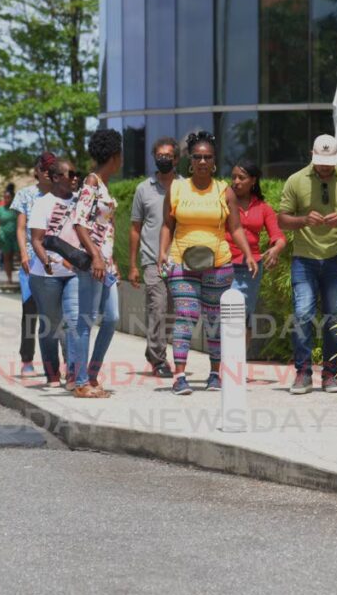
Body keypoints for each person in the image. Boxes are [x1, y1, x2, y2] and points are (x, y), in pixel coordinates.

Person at [158, 130, 258, 396]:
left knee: (214, 320)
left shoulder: (224, 191)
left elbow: (235, 227)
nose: (202, 161)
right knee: (186, 315)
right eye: (197, 157)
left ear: (214, 161)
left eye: (207, 157)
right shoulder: (177, 188)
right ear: (190, 161)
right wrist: (161, 252)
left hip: (218, 264)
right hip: (181, 261)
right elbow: (167, 224)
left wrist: (247, 253)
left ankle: (215, 374)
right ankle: (179, 376)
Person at [278, 134, 337, 395]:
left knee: (334, 319)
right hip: (304, 259)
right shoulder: (296, 180)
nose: (325, 166)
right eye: (320, 161)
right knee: (303, 314)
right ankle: (303, 374)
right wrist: (304, 220)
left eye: (329, 162)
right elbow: (282, 219)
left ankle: (330, 375)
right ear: (311, 155)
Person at [70, 128, 123, 397]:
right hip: (94, 265)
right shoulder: (91, 183)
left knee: (112, 318)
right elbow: (79, 222)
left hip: (106, 265)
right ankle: (80, 383)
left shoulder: (102, 184)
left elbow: (105, 227)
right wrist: (97, 257)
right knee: (86, 320)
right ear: (115, 155)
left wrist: (112, 261)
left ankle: (90, 375)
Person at [28, 158, 83, 391]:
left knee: (72, 322)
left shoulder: (80, 202)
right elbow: (37, 239)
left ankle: (72, 373)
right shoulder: (43, 204)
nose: (74, 178)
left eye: (76, 173)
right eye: (69, 174)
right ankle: (52, 374)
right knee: (51, 326)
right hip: (45, 275)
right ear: (56, 177)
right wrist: (46, 260)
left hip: (73, 273)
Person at [128, 137, 180, 378]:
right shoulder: (143, 189)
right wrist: (132, 265)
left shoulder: (185, 186)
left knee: (172, 310)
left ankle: (154, 349)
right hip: (151, 259)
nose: (164, 159)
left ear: (177, 159)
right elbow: (135, 228)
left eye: (168, 156)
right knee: (157, 308)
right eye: (160, 155)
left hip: (179, 259)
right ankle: (159, 360)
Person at [226, 159, 286, 347]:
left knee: (243, 313)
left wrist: (276, 248)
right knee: (224, 313)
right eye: (233, 177)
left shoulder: (263, 208)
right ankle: (221, 362)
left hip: (249, 267)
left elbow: (278, 236)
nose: (236, 181)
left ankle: (238, 363)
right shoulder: (222, 201)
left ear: (253, 180)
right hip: (223, 263)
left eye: (241, 178)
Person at [12, 153, 55, 377]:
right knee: (30, 310)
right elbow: (21, 228)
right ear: (36, 171)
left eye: (51, 167)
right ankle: (27, 358)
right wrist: (23, 254)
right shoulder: (26, 195)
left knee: (55, 314)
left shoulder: (64, 194)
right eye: (43, 167)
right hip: (31, 259)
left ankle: (56, 361)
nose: (47, 171)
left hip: (56, 260)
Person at [0, 183, 19, 284]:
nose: (6, 199)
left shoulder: (16, 209)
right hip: (5, 237)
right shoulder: (0, 209)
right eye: (5, 197)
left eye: (8, 197)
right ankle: (9, 279)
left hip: (16, 236)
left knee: (20, 256)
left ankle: (25, 277)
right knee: (7, 258)